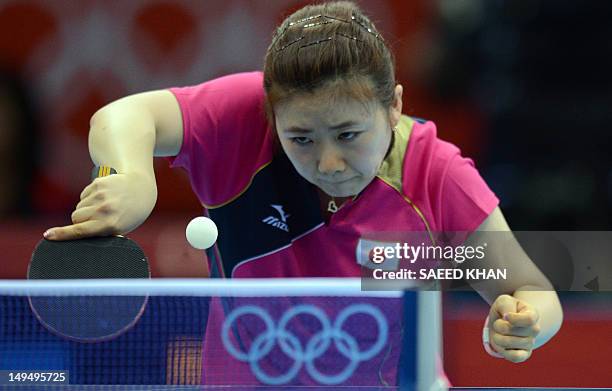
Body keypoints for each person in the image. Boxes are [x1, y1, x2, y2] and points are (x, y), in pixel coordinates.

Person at [44, 0, 562, 377]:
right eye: (302, 138)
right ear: (273, 117)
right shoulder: (241, 120)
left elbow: (535, 291)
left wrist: (525, 323)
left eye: (349, 135)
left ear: (395, 106)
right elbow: (124, 115)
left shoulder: (434, 172)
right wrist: (127, 174)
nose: (329, 161)